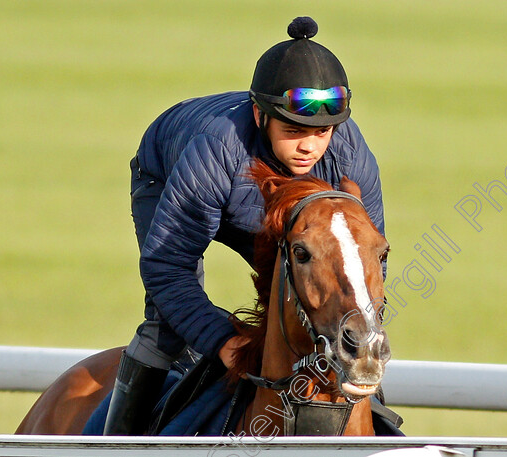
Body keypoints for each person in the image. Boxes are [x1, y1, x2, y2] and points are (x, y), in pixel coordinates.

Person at [103, 16, 386, 435]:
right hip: (179, 176)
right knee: (167, 328)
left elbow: (366, 269)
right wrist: (222, 341)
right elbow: (167, 268)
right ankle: (114, 444)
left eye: (323, 131)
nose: (309, 145)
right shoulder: (217, 151)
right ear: (259, 115)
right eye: (293, 130)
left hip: (292, 215)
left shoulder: (350, 159)